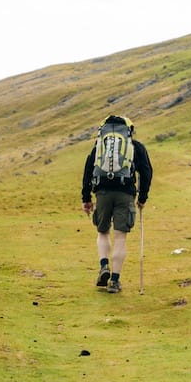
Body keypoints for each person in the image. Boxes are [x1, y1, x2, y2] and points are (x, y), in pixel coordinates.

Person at [81, 115, 152, 293]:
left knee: (103, 231)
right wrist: (142, 198)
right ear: (129, 130)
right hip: (125, 193)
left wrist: (86, 198)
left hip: (102, 192)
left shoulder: (99, 146)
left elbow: (88, 169)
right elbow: (146, 172)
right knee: (120, 236)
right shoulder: (135, 147)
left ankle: (104, 265)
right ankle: (114, 280)